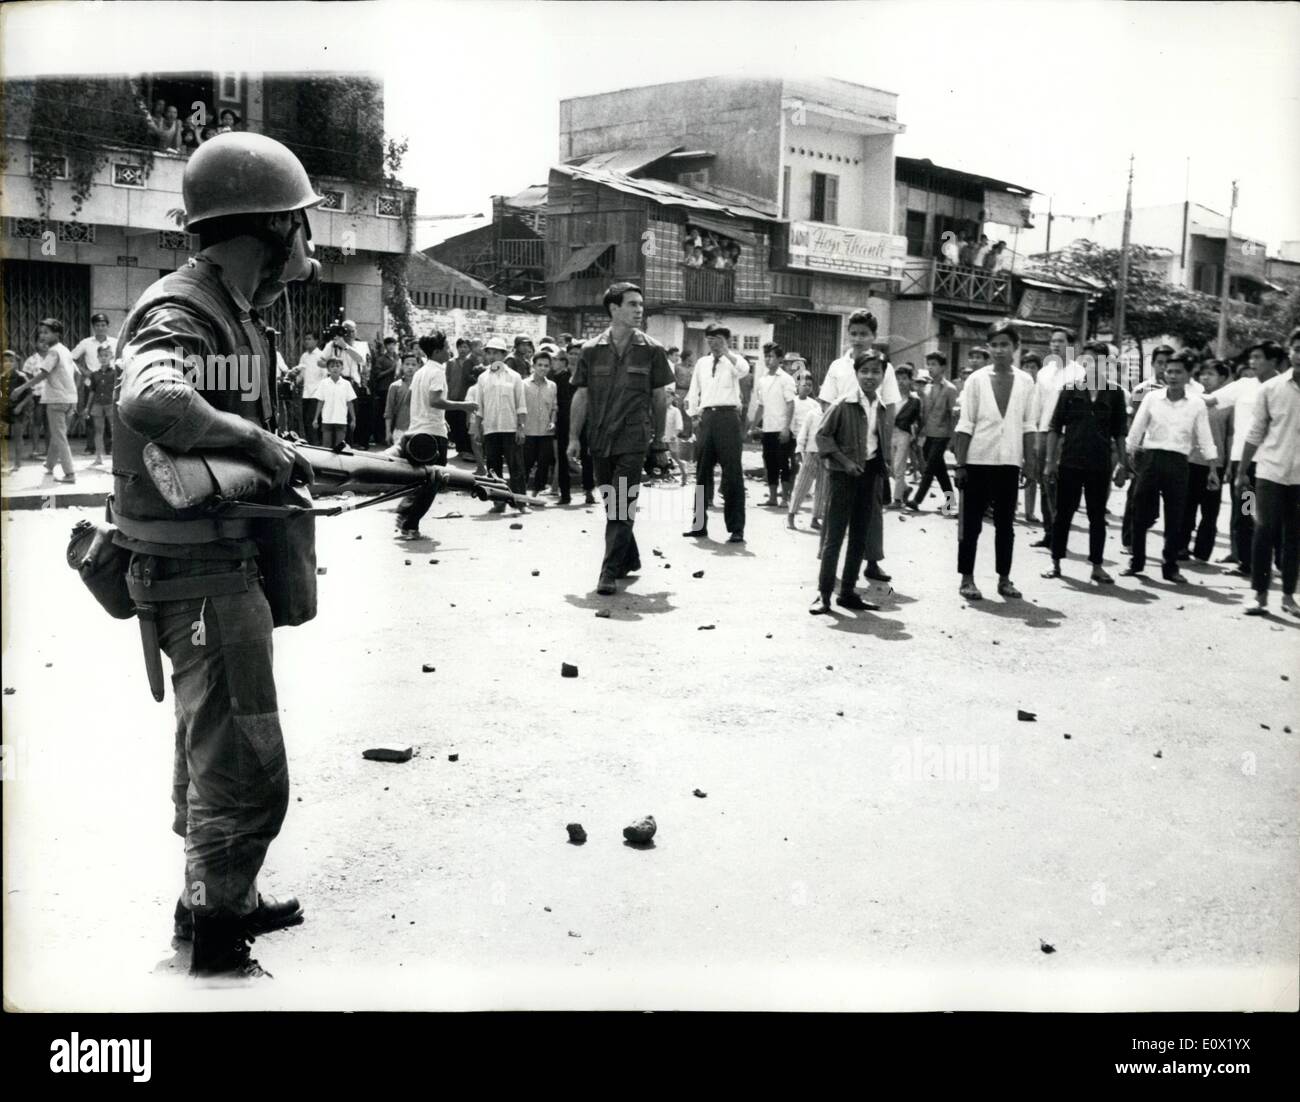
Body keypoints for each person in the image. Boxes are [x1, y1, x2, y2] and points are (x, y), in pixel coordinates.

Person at [110, 131, 324, 978]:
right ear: (269, 229)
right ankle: (218, 945)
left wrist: (274, 448)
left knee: (210, 750)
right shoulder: (183, 308)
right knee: (241, 759)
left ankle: (218, 895)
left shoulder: (233, 311)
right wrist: (254, 441)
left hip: (216, 566)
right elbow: (150, 395)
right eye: (299, 228)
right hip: (198, 574)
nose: (308, 247)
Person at [567, 282, 672, 594]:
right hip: (599, 439)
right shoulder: (589, 350)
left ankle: (608, 573)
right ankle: (629, 558)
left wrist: (660, 440)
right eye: (632, 304)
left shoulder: (652, 350)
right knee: (612, 503)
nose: (639, 309)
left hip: (633, 439)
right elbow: (581, 397)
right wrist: (574, 437)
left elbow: (659, 398)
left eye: (641, 304)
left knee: (622, 504)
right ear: (613, 309)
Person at [953, 323, 1040, 601]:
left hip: (1009, 462)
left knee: (1006, 524)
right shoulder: (976, 380)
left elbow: (1029, 425)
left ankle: (1004, 579)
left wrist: (1029, 462)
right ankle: (967, 578)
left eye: (1005, 344)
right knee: (972, 525)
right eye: (995, 344)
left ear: (1015, 347)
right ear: (988, 347)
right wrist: (961, 464)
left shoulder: (1026, 382)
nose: (1000, 350)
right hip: (978, 460)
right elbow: (965, 425)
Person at [819, 311, 900, 581]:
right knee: (836, 508)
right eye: (853, 333)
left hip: (872, 448)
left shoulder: (882, 366)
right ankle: (828, 565)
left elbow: (888, 409)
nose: (858, 339)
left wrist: (886, 452)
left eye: (864, 334)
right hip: (842, 449)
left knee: (873, 508)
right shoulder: (838, 367)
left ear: (874, 336)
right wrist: (833, 449)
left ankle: (872, 560)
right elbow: (826, 405)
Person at [1123, 351, 1216, 583]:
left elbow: (1205, 437)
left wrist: (1213, 468)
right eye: (1169, 371)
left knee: (1176, 516)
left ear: (1188, 375)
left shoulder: (1196, 404)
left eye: (1178, 372)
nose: (1172, 376)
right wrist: (1126, 458)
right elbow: (1136, 429)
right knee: (1140, 512)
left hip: (1179, 463)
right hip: (1151, 459)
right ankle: (1136, 562)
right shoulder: (1152, 398)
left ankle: (1170, 566)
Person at [1041, 341, 1128, 584]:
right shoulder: (1069, 390)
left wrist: (1122, 463)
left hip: (1099, 465)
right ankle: (1055, 561)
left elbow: (1120, 431)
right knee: (1063, 515)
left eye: (1099, 360)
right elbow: (1054, 428)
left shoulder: (1115, 393)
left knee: (1097, 517)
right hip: (1069, 462)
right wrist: (1049, 462)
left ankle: (1097, 566)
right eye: (1087, 360)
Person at [809, 354, 891, 615]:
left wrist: (881, 472)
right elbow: (822, 437)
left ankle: (848, 593)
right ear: (856, 373)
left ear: (882, 375)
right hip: (843, 478)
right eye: (865, 371)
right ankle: (823, 595)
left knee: (859, 537)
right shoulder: (843, 404)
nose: (870, 376)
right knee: (834, 538)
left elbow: (878, 445)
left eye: (875, 372)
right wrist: (844, 462)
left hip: (869, 477)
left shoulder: (881, 406)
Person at [1202, 340, 1287, 576]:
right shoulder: (1243, 385)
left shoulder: (1287, 387)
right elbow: (1210, 401)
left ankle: (1282, 563)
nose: (1252, 362)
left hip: (1276, 463)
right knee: (1247, 512)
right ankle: (1247, 563)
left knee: (1276, 516)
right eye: (1252, 357)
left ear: (1273, 361)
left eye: (1258, 357)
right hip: (1246, 465)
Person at [1238, 328, 1300, 616]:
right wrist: (1241, 472)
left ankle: (1288, 595)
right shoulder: (1271, 389)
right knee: (1264, 531)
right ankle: (1259, 594)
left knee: (1294, 537)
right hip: (1270, 472)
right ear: (1289, 352)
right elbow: (1255, 432)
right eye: (1297, 348)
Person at [395, 333, 478, 539]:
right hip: (431, 435)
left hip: (418, 431)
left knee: (423, 481)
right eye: (447, 346)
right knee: (433, 482)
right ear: (437, 351)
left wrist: (440, 419)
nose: (450, 350)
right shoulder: (437, 372)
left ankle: (405, 514)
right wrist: (464, 406)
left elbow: (412, 401)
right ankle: (409, 524)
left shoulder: (421, 371)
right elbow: (435, 400)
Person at [683, 323, 750, 544]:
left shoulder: (734, 361)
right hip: (707, 418)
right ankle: (699, 525)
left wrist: (726, 353)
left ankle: (736, 528)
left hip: (728, 417)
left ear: (726, 340)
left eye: (718, 338)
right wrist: (693, 415)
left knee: (732, 472)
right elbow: (694, 391)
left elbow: (743, 371)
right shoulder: (702, 363)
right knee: (702, 472)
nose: (713, 342)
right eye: (710, 338)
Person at [1122, 344, 1175, 550]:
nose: (1163, 368)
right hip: (1144, 452)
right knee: (1137, 497)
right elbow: (1132, 422)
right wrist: (1130, 451)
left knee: (1159, 504)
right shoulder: (1141, 390)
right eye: (1160, 363)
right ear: (1153, 364)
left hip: (1170, 452)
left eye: (1168, 364)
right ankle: (1129, 540)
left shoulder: (1181, 391)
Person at [1177, 359, 1231, 561]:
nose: (1205, 377)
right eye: (1203, 373)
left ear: (1223, 378)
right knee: (1186, 507)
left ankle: (1203, 551)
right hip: (1190, 461)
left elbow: (1230, 436)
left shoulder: (1228, 405)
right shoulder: (1191, 399)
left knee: (1210, 511)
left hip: (1214, 466)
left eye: (1212, 374)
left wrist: (1226, 467)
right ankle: (1180, 547)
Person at [1028, 329, 1078, 543]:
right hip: (1044, 432)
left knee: (1062, 486)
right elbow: (1036, 406)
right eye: (1053, 341)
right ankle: (1049, 532)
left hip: (1067, 435)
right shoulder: (1044, 373)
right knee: (1044, 483)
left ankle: (1060, 533)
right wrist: (1035, 435)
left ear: (1072, 345)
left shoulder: (1079, 373)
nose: (1055, 345)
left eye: (1061, 341)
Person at [471, 335, 529, 513]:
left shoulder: (514, 377)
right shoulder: (482, 378)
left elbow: (521, 405)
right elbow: (479, 406)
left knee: (516, 467)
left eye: (496, 352)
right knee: (493, 469)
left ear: (504, 354)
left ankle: (521, 503)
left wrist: (521, 428)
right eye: (489, 352)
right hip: (491, 428)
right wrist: (477, 428)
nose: (492, 356)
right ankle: (498, 502)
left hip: (510, 428)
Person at [29, 318, 80, 482]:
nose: (42, 335)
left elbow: (43, 374)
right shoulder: (65, 350)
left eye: (46, 332)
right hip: (70, 399)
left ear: (56, 334)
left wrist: (21, 388)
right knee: (59, 434)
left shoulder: (53, 352)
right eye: (41, 332)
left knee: (59, 436)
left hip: (56, 400)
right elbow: (78, 374)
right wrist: (72, 392)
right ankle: (50, 465)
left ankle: (70, 473)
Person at [908, 352, 958, 514]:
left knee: (929, 469)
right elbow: (924, 413)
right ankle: (950, 501)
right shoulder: (927, 388)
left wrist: (952, 439)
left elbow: (953, 415)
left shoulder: (950, 389)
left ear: (943, 367)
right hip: (928, 434)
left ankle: (917, 500)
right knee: (940, 470)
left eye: (934, 364)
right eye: (929, 364)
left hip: (942, 435)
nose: (930, 368)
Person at [749, 341, 797, 508]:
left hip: (782, 429)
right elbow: (761, 406)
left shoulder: (786, 379)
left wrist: (786, 428)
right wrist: (753, 426)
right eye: (766, 356)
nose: (768, 360)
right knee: (770, 463)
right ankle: (772, 497)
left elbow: (791, 404)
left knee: (784, 463)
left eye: (771, 356)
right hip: (768, 428)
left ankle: (785, 498)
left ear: (780, 359)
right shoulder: (762, 380)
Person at [71, 313, 117, 454]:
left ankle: (109, 448)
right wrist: (84, 371)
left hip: (110, 382)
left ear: (107, 326)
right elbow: (70, 357)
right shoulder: (86, 343)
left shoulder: (115, 342)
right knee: (91, 415)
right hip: (92, 382)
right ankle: (91, 447)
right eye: (97, 325)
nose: (100, 328)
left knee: (110, 416)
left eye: (103, 325)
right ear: (93, 327)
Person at [786, 375, 824, 530]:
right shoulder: (813, 413)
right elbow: (803, 434)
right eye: (824, 398)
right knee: (802, 485)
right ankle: (791, 515)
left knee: (821, 489)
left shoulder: (833, 414)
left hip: (826, 456)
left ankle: (816, 518)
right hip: (810, 453)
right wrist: (798, 450)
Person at [522, 348, 558, 494]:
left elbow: (554, 408)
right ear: (533, 366)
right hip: (528, 431)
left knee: (543, 465)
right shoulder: (523, 384)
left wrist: (553, 422)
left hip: (545, 432)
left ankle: (536, 493)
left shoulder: (552, 386)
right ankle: (520, 494)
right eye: (540, 365)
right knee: (526, 464)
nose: (543, 368)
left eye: (546, 365)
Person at [80, 344, 120, 466]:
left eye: (106, 355)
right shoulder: (94, 374)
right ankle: (98, 456)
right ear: (98, 357)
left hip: (110, 403)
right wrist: (87, 407)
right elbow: (92, 391)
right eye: (101, 356)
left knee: (114, 430)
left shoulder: (115, 373)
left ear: (111, 357)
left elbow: (118, 389)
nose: (104, 358)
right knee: (98, 430)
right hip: (97, 404)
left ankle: (116, 457)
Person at [889, 364, 922, 505]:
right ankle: (906, 488)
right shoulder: (891, 398)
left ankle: (897, 499)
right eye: (898, 379)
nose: (900, 382)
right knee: (891, 468)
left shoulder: (914, 400)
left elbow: (910, 419)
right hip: (890, 433)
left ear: (910, 381)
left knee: (899, 467)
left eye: (904, 378)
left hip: (903, 434)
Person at [310, 357, 356, 447]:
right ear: (328, 369)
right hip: (327, 419)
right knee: (326, 445)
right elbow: (320, 401)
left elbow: (349, 402)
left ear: (342, 368)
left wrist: (353, 419)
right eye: (332, 366)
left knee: (340, 446)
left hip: (341, 419)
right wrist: (315, 418)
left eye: (337, 366)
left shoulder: (346, 384)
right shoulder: (324, 383)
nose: (335, 368)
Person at [297, 332, 326, 444]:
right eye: (305, 339)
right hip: (306, 393)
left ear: (316, 341)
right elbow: (301, 374)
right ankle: (311, 443)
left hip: (317, 394)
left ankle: (316, 444)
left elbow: (325, 375)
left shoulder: (321, 355)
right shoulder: (304, 356)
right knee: (306, 421)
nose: (306, 341)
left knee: (312, 420)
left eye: (309, 339)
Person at [384, 352, 416, 444]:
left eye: (413, 364)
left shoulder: (421, 385)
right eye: (407, 364)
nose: (410, 367)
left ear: (418, 367)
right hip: (400, 430)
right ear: (402, 366)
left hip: (418, 429)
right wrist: (388, 432)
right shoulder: (395, 386)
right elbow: (388, 411)